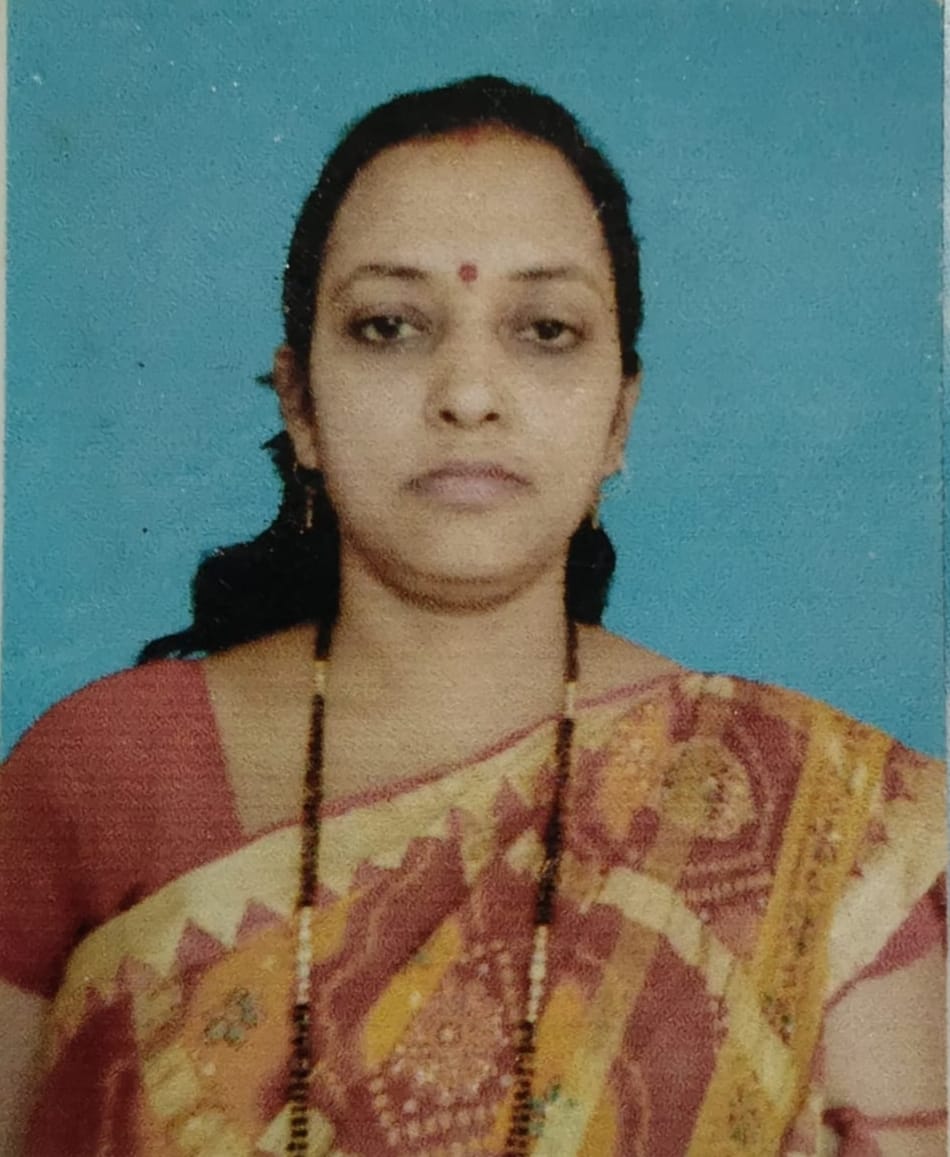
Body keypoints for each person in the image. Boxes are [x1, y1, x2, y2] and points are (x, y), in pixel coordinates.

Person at [0, 75, 944, 1157]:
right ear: (300, 405)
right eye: (388, 326)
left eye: (544, 329)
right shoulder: (101, 773)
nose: (467, 393)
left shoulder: (818, 819)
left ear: (618, 418)